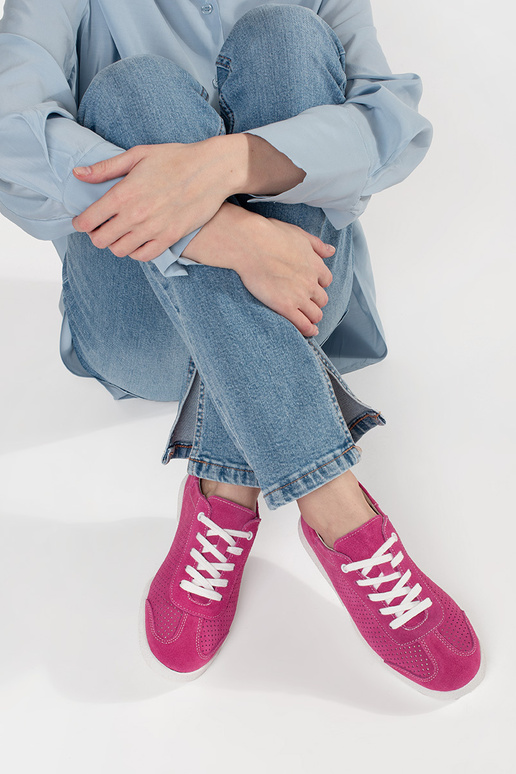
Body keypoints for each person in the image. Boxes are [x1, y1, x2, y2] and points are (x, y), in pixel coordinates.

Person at [0, 0, 484, 698]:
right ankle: (332, 498)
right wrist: (227, 236)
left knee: (285, 37)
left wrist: (230, 164)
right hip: (148, 325)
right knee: (134, 92)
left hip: (304, 286)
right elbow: (8, 128)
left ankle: (227, 488)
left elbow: (394, 124)